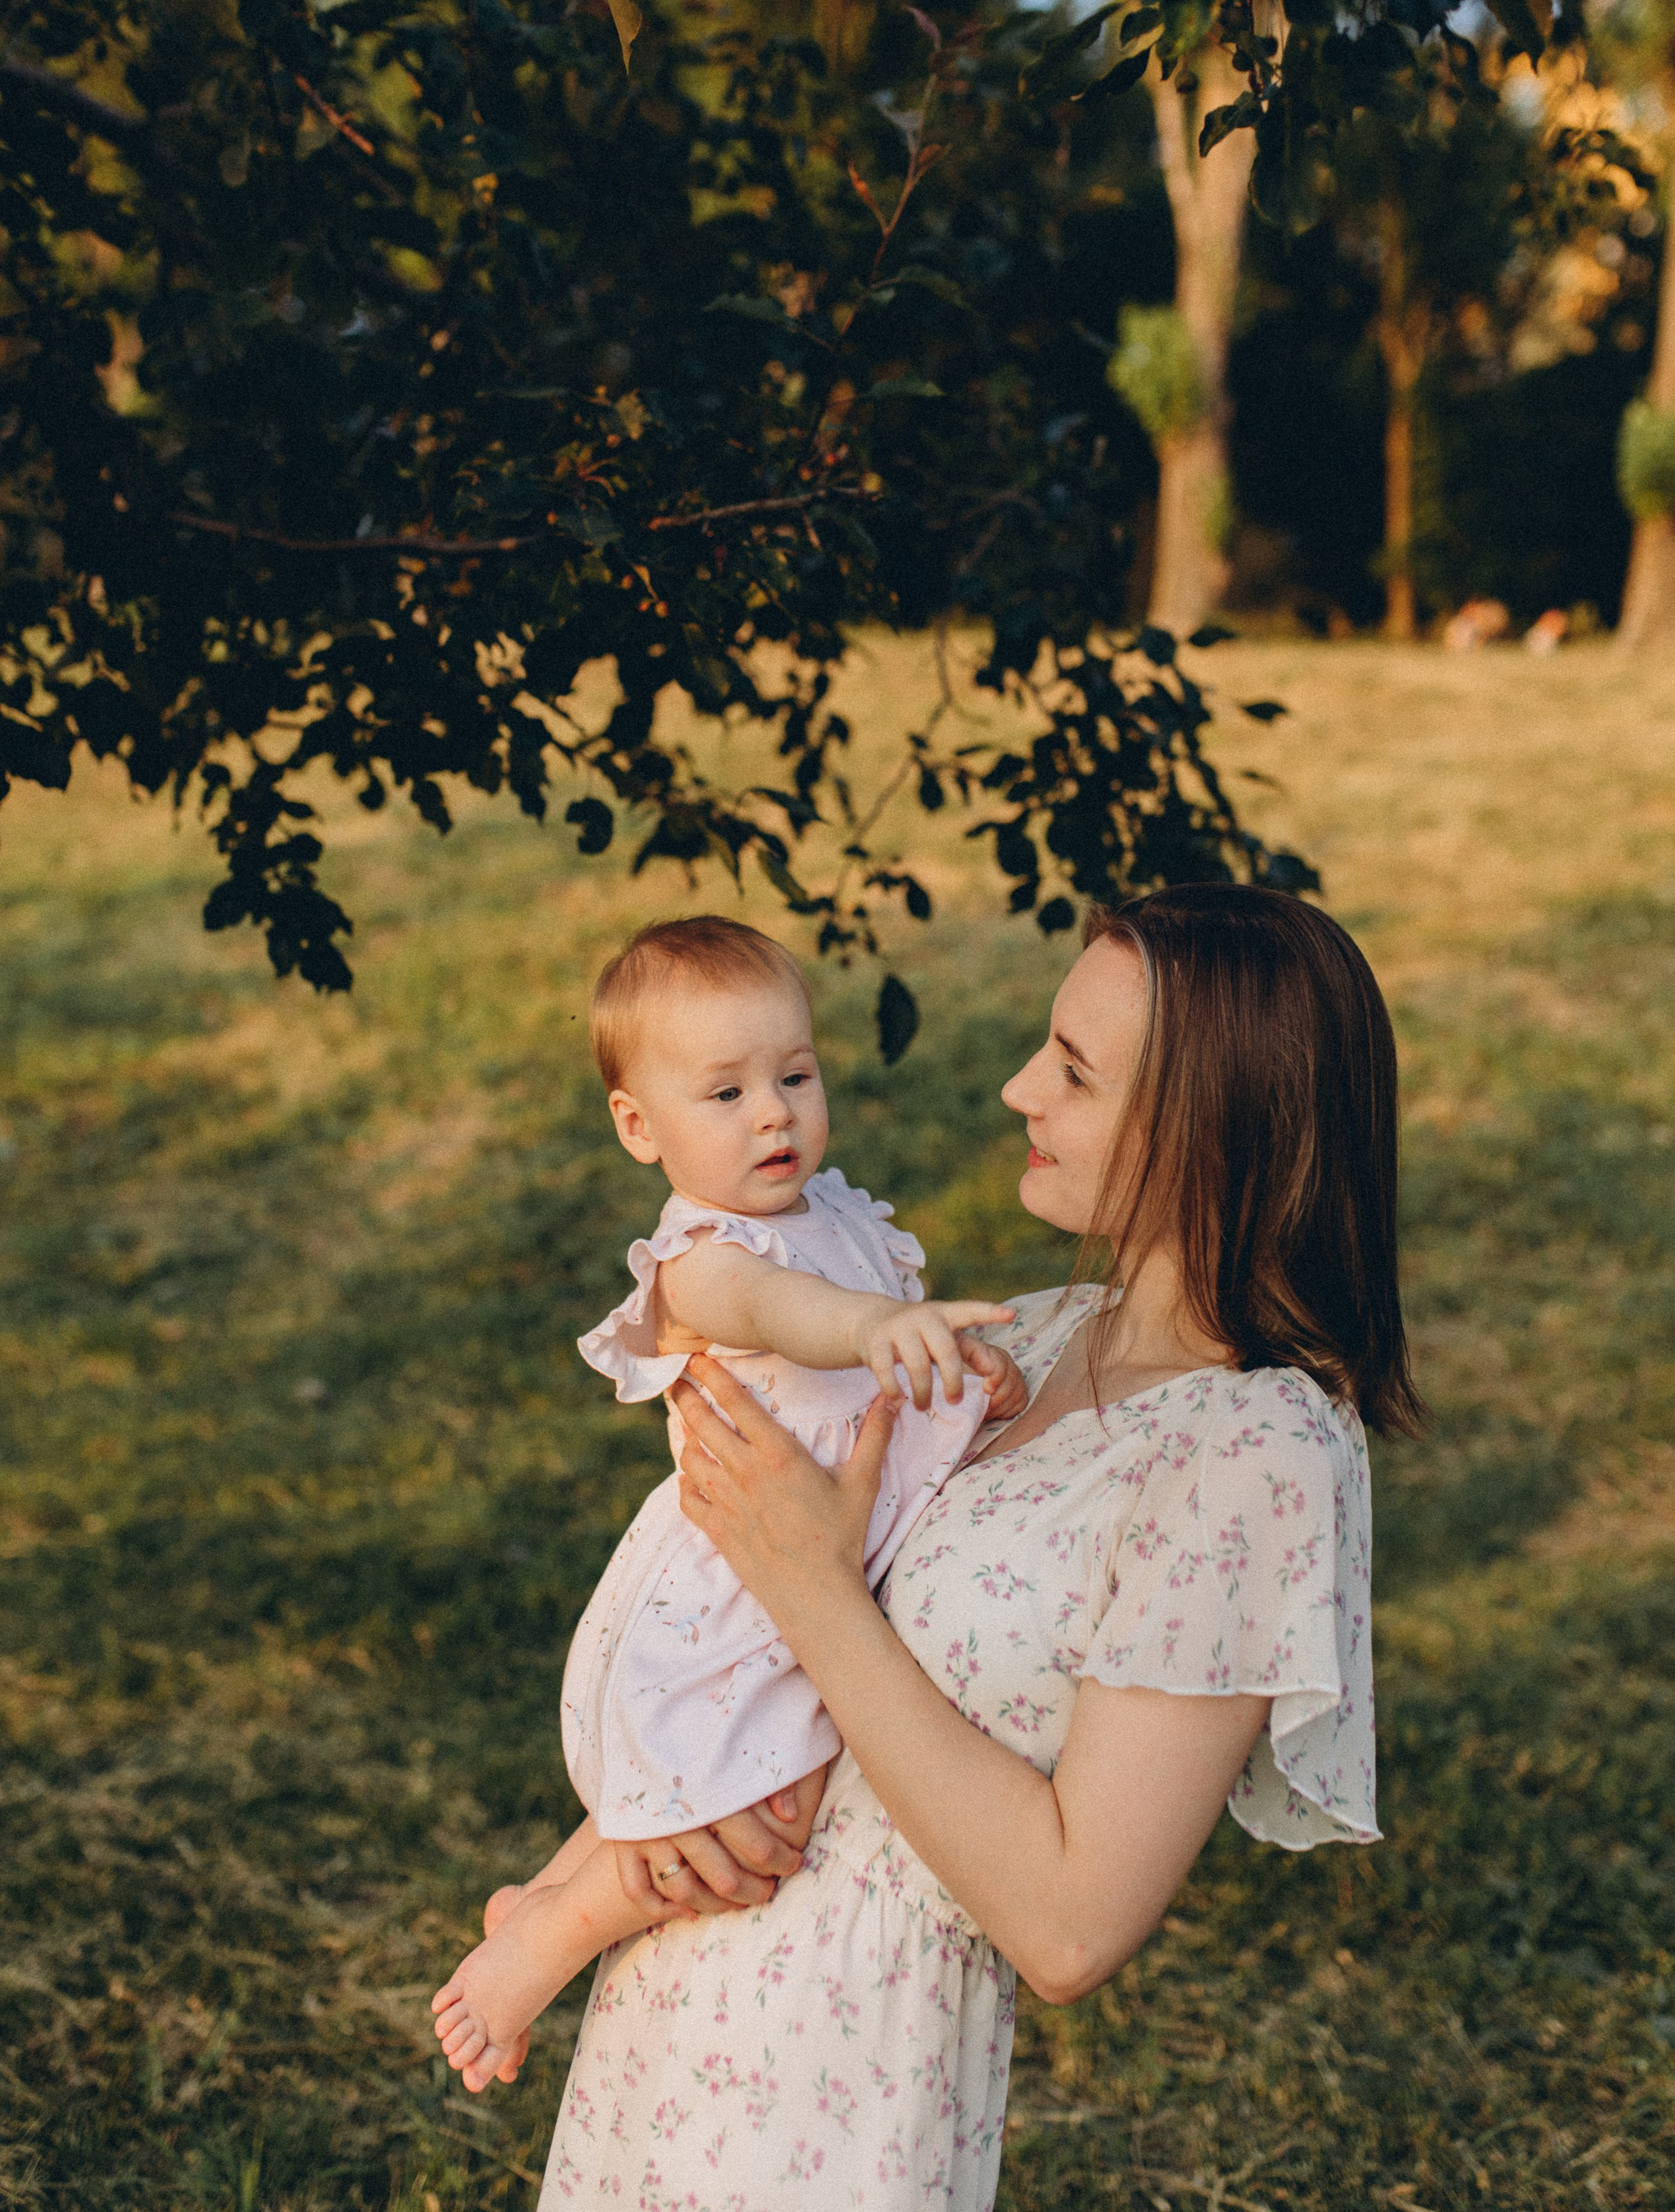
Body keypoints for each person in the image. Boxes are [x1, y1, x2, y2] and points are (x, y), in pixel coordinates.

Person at [525, 883, 1423, 2208]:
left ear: (1206, 1125)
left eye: (1068, 1070)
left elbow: (1068, 1924)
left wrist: (806, 1585)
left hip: (836, 2065)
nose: (1015, 1091)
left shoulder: (1256, 1456)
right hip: (687, 1986)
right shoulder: (1049, 1334)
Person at [432, 917, 1027, 2089]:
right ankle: (548, 1944)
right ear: (639, 1128)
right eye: (727, 1093)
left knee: (700, 1768)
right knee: (752, 1800)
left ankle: (543, 1891)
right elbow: (783, 1315)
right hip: (747, 1585)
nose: (773, 1114)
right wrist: (873, 1328)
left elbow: (876, 1381)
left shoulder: (844, 1218)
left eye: (795, 1077)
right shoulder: (704, 1256)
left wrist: (958, 1381)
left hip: (822, 1552)